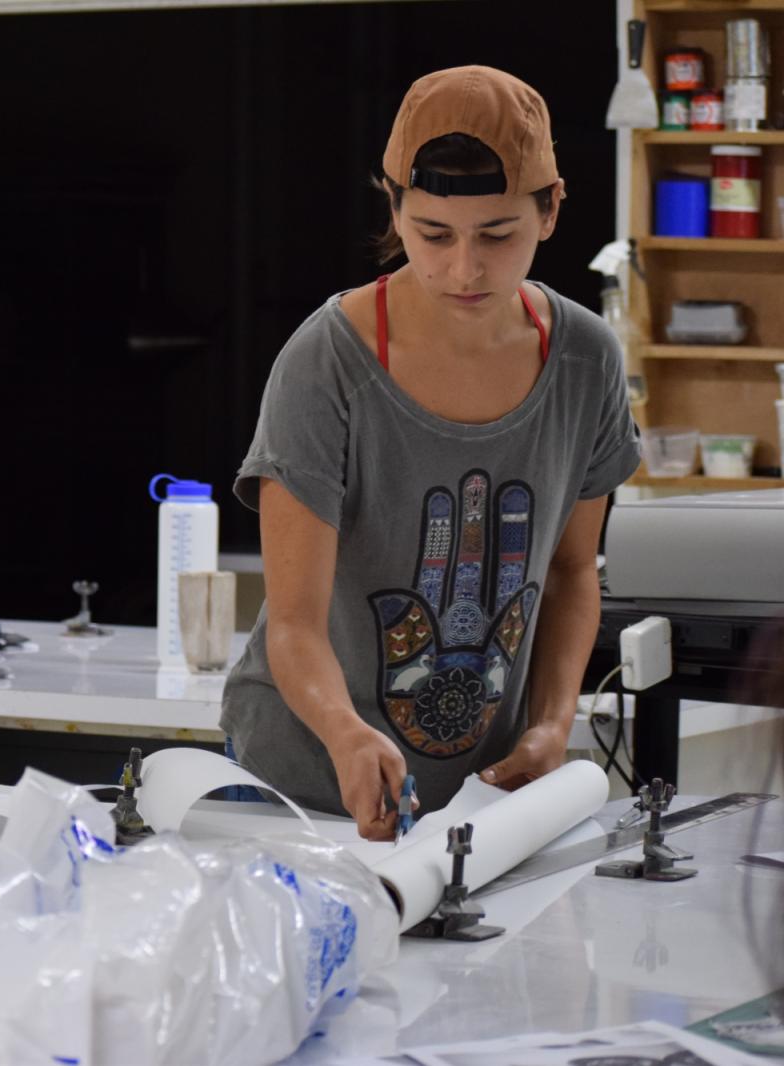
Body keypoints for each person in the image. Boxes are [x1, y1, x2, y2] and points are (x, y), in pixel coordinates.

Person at [221, 67, 641, 840]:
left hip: (484, 797)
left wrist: (552, 724)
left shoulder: (586, 359)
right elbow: (294, 624)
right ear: (395, 208)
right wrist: (347, 734)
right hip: (302, 784)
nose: (464, 269)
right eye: (433, 234)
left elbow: (574, 572)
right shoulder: (328, 363)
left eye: (498, 234)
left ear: (550, 209)